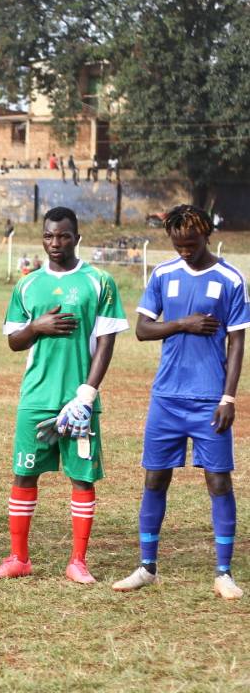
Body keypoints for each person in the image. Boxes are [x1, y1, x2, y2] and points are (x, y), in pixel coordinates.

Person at [113, 205, 249, 600]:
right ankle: (146, 567)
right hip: (167, 397)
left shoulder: (229, 278)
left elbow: (237, 340)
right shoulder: (163, 274)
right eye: (177, 244)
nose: (184, 251)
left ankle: (223, 573)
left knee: (218, 480)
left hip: (209, 399)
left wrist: (228, 396)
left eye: (190, 244)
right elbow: (142, 329)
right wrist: (182, 323)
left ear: (206, 234)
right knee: (155, 478)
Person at [0, 207, 129, 582]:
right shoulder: (28, 284)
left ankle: (77, 562)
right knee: (24, 474)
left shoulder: (99, 281)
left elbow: (106, 344)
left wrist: (86, 394)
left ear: (76, 237)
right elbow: (14, 341)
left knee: (82, 478)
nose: (55, 243)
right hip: (35, 397)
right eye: (49, 236)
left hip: (79, 399)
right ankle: (19, 558)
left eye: (63, 236)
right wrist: (37, 326)